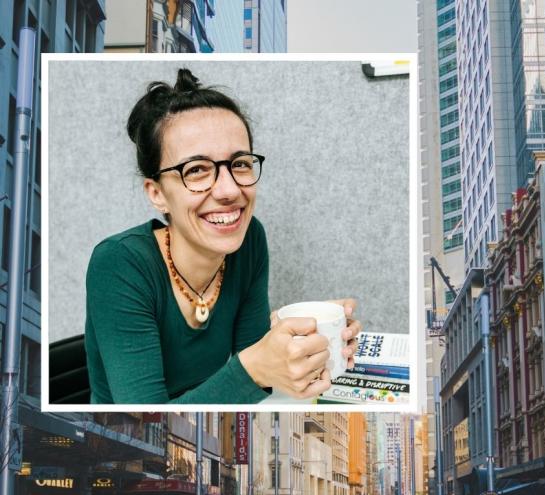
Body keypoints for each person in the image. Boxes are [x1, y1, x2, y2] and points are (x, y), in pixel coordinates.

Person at [84, 67, 362, 404]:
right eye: (197, 170)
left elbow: (258, 374)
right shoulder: (118, 264)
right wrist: (256, 368)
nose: (229, 190)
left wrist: (302, 336)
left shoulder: (248, 241)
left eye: (241, 164)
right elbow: (147, 419)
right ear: (156, 193)